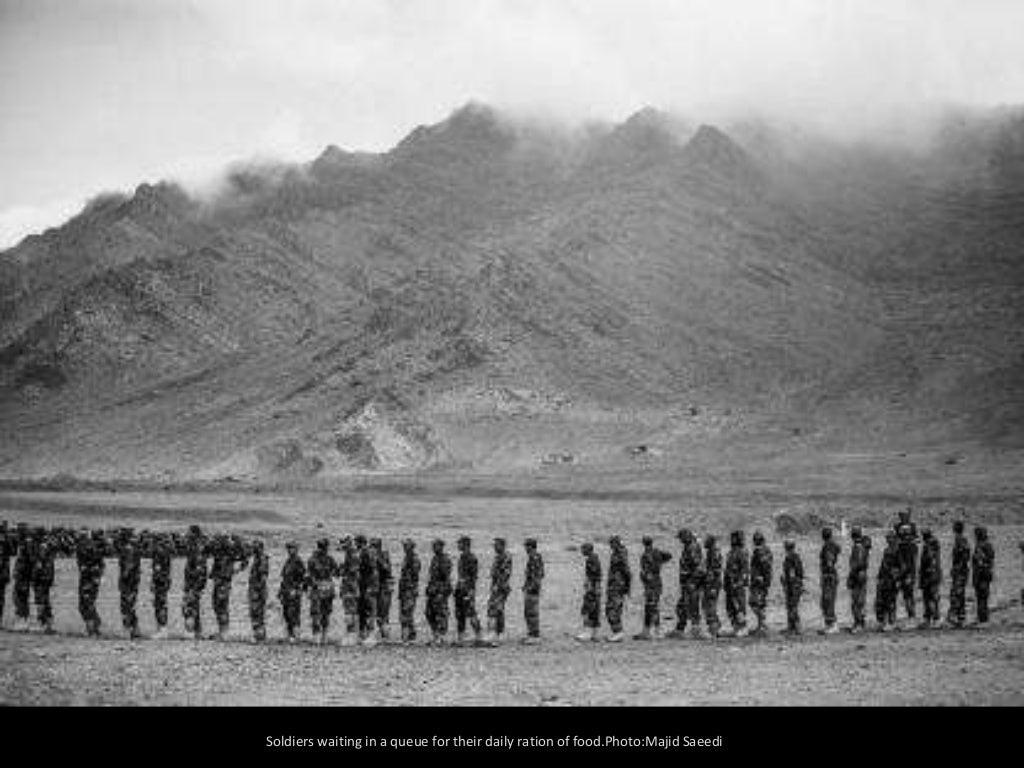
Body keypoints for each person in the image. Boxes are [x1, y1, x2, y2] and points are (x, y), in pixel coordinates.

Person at [209, 533, 247, 640]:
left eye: (223, 540)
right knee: (216, 604)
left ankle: (225, 633)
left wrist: (238, 569)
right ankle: (221, 630)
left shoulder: (231, 551)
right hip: (218, 580)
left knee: (222, 605)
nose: (220, 542)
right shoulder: (219, 550)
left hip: (224, 581)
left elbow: (245, 558)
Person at [636, 536, 672, 640]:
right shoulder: (657, 552)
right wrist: (660, 563)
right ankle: (647, 631)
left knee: (653, 608)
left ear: (644, 543)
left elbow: (646, 570)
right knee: (650, 607)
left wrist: (654, 569)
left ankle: (657, 631)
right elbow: (669, 556)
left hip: (652, 584)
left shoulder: (647, 555)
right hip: (653, 583)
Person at [671, 528, 704, 639]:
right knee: (682, 606)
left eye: (681, 538)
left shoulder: (692, 548)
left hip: (692, 583)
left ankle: (696, 630)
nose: (680, 540)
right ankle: (680, 629)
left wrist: (693, 582)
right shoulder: (688, 547)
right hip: (687, 583)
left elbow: (699, 568)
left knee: (693, 606)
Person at [307, 538, 339, 645]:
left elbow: (336, 572)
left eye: (324, 547)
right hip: (319, 587)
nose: (323, 549)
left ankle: (323, 636)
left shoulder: (329, 559)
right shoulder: (314, 559)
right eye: (322, 547)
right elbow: (309, 575)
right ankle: (317, 635)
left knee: (325, 612)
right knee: (316, 612)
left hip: (326, 588)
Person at [76, 529, 106, 636]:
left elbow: (98, 565)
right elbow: (101, 565)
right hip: (89, 579)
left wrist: (95, 575)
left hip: (88, 579)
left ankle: (92, 628)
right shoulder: (89, 547)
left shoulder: (89, 548)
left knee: (86, 604)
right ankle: (94, 625)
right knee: (86, 604)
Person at [114, 528, 143, 639]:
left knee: (126, 606)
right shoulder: (134, 548)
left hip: (129, 582)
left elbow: (128, 565)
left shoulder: (128, 549)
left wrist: (124, 576)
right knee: (131, 605)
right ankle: (135, 630)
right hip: (134, 581)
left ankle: (127, 630)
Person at [454, 536, 483, 645]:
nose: (458, 545)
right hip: (460, 588)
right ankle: (461, 637)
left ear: (465, 544)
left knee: (471, 612)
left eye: (460, 543)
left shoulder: (471, 558)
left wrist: (471, 590)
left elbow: (473, 576)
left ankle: (479, 635)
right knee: (459, 613)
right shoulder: (462, 557)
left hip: (467, 589)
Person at [182, 525, 209, 639]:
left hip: (194, 583)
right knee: (193, 606)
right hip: (193, 582)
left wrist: (195, 587)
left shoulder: (197, 548)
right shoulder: (195, 546)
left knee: (189, 606)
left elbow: (200, 569)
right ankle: (198, 632)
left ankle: (192, 632)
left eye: (189, 533)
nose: (187, 535)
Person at [893, 509, 919, 626]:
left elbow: (917, 539)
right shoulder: (897, 526)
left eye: (905, 515)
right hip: (899, 563)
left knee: (908, 593)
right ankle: (896, 617)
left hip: (909, 566)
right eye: (901, 515)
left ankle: (911, 616)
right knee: (898, 592)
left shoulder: (913, 527)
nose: (903, 517)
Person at [425, 539, 453, 644]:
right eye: (433, 546)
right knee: (429, 613)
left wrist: (443, 591)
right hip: (433, 589)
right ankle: (435, 634)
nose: (434, 548)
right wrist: (429, 587)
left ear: (441, 547)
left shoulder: (445, 559)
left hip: (441, 590)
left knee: (441, 613)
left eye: (436, 546)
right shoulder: (434, 559)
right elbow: (432, 575)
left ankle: (441, 636)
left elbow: (446, 577)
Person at [605, 536, 631, 642]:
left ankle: (618, 632)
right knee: (613, 608)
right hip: (615, 585)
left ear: (616, 543)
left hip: (617, 586)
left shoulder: (620, 554)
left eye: (612, 543)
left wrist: (627, 587)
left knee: (612, 609)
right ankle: (617, 632)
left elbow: (627, 571)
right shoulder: (618, 553)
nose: (610, 546)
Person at [279, 541, 306, 642]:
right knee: (286, 613)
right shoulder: (288, 561)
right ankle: (290, 635)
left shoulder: (298, 561)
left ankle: (296, 635)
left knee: (294, 613)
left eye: (292, 548)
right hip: (286, 590)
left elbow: (302, 578)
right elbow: (284, 578)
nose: (290, 550)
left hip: (294, 591)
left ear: (296, 549)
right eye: (289, 549)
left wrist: (297, 589)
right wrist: (281, 591)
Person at [724, 530, 750, 637]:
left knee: (739, 606)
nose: (732, 540)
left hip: (737, 584)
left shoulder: (742, 552)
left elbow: (744, 570)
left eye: (734, 538)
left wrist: (740, 582)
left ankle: (743, 627)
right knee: (730, 607)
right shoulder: (732, 552)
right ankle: (735, 627)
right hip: (730, 584)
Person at [486, 537, 512, 644]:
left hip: (501, 587)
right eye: (494, 545)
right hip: (496, 586)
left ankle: (498, 633)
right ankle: (496, 633)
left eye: (496, 545)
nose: (494, 547)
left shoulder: (506, 556)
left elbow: (505, 574)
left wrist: (498, 585)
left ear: (502, 545)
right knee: (494, 608)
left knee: (497, 609)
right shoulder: (498, 557)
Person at [31, 528, 57, 634]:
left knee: (40, 601)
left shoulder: (41, 547)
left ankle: (41, 624)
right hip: (47, 578)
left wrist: (34, 578)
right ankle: (48, 626)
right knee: (45, 601)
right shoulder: (48, 546)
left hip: (41, 579)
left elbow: (39, 565)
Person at [356, 535, 380, 646]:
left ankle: (371, 636)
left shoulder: (366, 552)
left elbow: (370, 570)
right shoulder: (366, 552)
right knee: (363, 611)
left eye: (357, 542)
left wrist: (370, 587)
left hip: (368, 585)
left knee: (370, 610)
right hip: (365, 584)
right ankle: (364, 635)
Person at [748, 531, 773, 636]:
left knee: (756, 602)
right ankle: (761, 626)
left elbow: (764, 566)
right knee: (758, 603)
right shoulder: (765, 550)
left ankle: (763, 626)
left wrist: (761, 577)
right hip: (760, 581)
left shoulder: (761, 551)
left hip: (759, 582)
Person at [576, 542, 602, 641]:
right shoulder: (595, 558)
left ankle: (587, 633)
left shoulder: (591, 560)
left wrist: (589, 587)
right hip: (596, 588)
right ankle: (595, 634)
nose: (581, 551)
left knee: (587, 609)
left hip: (592, 589)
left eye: (583, 549)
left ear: (588, 550)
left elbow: (593, 576)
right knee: (595, 610)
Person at [946, 520, 971, 628]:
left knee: (956, 593)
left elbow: (965, 556)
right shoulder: (960, 539)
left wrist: (958, 567)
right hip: (960, 571)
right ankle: (961, 617)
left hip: (960, 572)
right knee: (959, 594)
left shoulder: (961, 540)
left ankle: (954, 616)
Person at [150, 531, 174, 639]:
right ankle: (161, 628)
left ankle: (162, 629)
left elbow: (157, 570)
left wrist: (153, 582)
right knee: (161, 604)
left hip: (160, 581)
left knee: (160, 604)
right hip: (165, 580)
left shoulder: (159, 552)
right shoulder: (166, 551)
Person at [846, 528, 870, 633]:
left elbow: (857, 564)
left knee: (857, 601)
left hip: (858, 577)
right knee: (859, 601)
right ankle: (860, 623)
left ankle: (859, 623)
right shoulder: (862, 547)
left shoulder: (858, 548)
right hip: (861, 576)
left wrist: (851, 577)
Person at [918, 529, 942, 629]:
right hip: (931, 575)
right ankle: (929, 619)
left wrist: (927, 575)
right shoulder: (932, 546)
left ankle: (935, 619)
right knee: (929, 598)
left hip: (930, 576)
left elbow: (930, 561)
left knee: (931, 597)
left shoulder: (929, 547)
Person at [12, 523, 34, 631]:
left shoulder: (26, 543)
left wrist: (24, 573)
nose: (16, 533)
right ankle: (23, 621)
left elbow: (30, 560)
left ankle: (23, 622)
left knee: (20, 598)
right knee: (18, 598)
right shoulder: (23, 543)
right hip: (21, 575)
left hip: (23, 576)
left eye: (18, 531)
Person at [819, 527, 841, 634]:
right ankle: (829, 624)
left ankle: (832, 624)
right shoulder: (832, 545)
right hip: (830, 575)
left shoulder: (828, 546)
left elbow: (829, 561)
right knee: (826, 601)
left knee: (828, 600)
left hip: (829, 576)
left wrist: (827, 574)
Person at [875, 532, 899, 631]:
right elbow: (883, 565)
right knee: (882, 601)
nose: (888, 540)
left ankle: (891, 622)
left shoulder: (898, 551)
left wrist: (897, 578)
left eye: (890, 538)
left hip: (892, 579)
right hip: (884, 579)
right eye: (887, 538)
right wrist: (880, 577)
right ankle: (884, 621)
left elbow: (900, 566)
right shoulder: (887, 550)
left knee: (891, 601)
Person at [398, 539, 421, 643]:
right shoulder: (407, 558)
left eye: (406, 546)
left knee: (407, 613)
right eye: (404, 546)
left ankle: (406, 638)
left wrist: (410, 587)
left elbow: (414, 576)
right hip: (405, 590)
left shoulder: (414, 559)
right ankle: (411, 636)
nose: (404, 548)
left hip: (410, 590)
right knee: (405, 613)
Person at [522, 538, 544, 643]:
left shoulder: (534, 558)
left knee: (531, 613)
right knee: (528, 612)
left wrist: (531, 587)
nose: (525, 549)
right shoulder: (535, 557)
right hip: (531, 588)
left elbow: (537, 576)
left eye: (527, 546)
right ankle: (531, 633)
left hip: (533, 590)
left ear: (531, 547)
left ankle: (535, 636)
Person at [971, 526, 995, 625]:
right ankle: (982, 618)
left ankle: (983, 619)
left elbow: (984, 561)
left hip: (982, 575)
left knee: (982, 597)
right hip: (983, 575)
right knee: (982, 597)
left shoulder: (983, 546)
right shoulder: (985, 545)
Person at [339, 536, 360, 644]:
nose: (342, 546)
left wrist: (343, 570)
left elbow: (352, 571)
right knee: (351, 611)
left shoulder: (352, 555)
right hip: (351, 586)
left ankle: (351, 636)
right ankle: (351, 635)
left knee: (350, 611)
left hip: (350, 586)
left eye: (343, 544)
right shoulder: (351, 554)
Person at [248, 539, 269, 642]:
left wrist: (257, 590)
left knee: (257, 613)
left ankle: (259, 637)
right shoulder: (258, 559)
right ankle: (259, 635)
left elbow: (263, 577)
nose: (253, 549)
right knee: (256, 613)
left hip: (258, 591)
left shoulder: (262, 559)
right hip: (256, 590)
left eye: (255, 547)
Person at [780, 540, 804, 635]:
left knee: (792, 606)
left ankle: (797, 628)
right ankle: (791, 627)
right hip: (794, 585)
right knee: (790, 606)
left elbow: (792, 574)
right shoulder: (794, 557)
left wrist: (787, 582)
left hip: (793, 586)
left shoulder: (791, 558)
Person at [701, 535, 722, 638]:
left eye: (706, 541)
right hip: (711, 583)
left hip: (712, 584)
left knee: (710, 606)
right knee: (708, 606)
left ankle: (713, 630)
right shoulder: (712, 552)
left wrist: (712, 586)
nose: (704, 543)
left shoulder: (713, 553)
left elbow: (714, 571)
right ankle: (715, 628)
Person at [374, 539, 393, 641]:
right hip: (378, 587)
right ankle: (383, 635)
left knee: (383, 613)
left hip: (384, 587)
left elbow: (386, 569)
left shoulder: (383, 556)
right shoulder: (375, 556)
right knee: (378, 614)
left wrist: (378, 559)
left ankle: (386, 636)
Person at [0, 521, 13, 625]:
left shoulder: (6, 542)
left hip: (3, 575)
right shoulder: (6, 542)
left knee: (1, 599)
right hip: (3, 575)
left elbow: (12, 551)